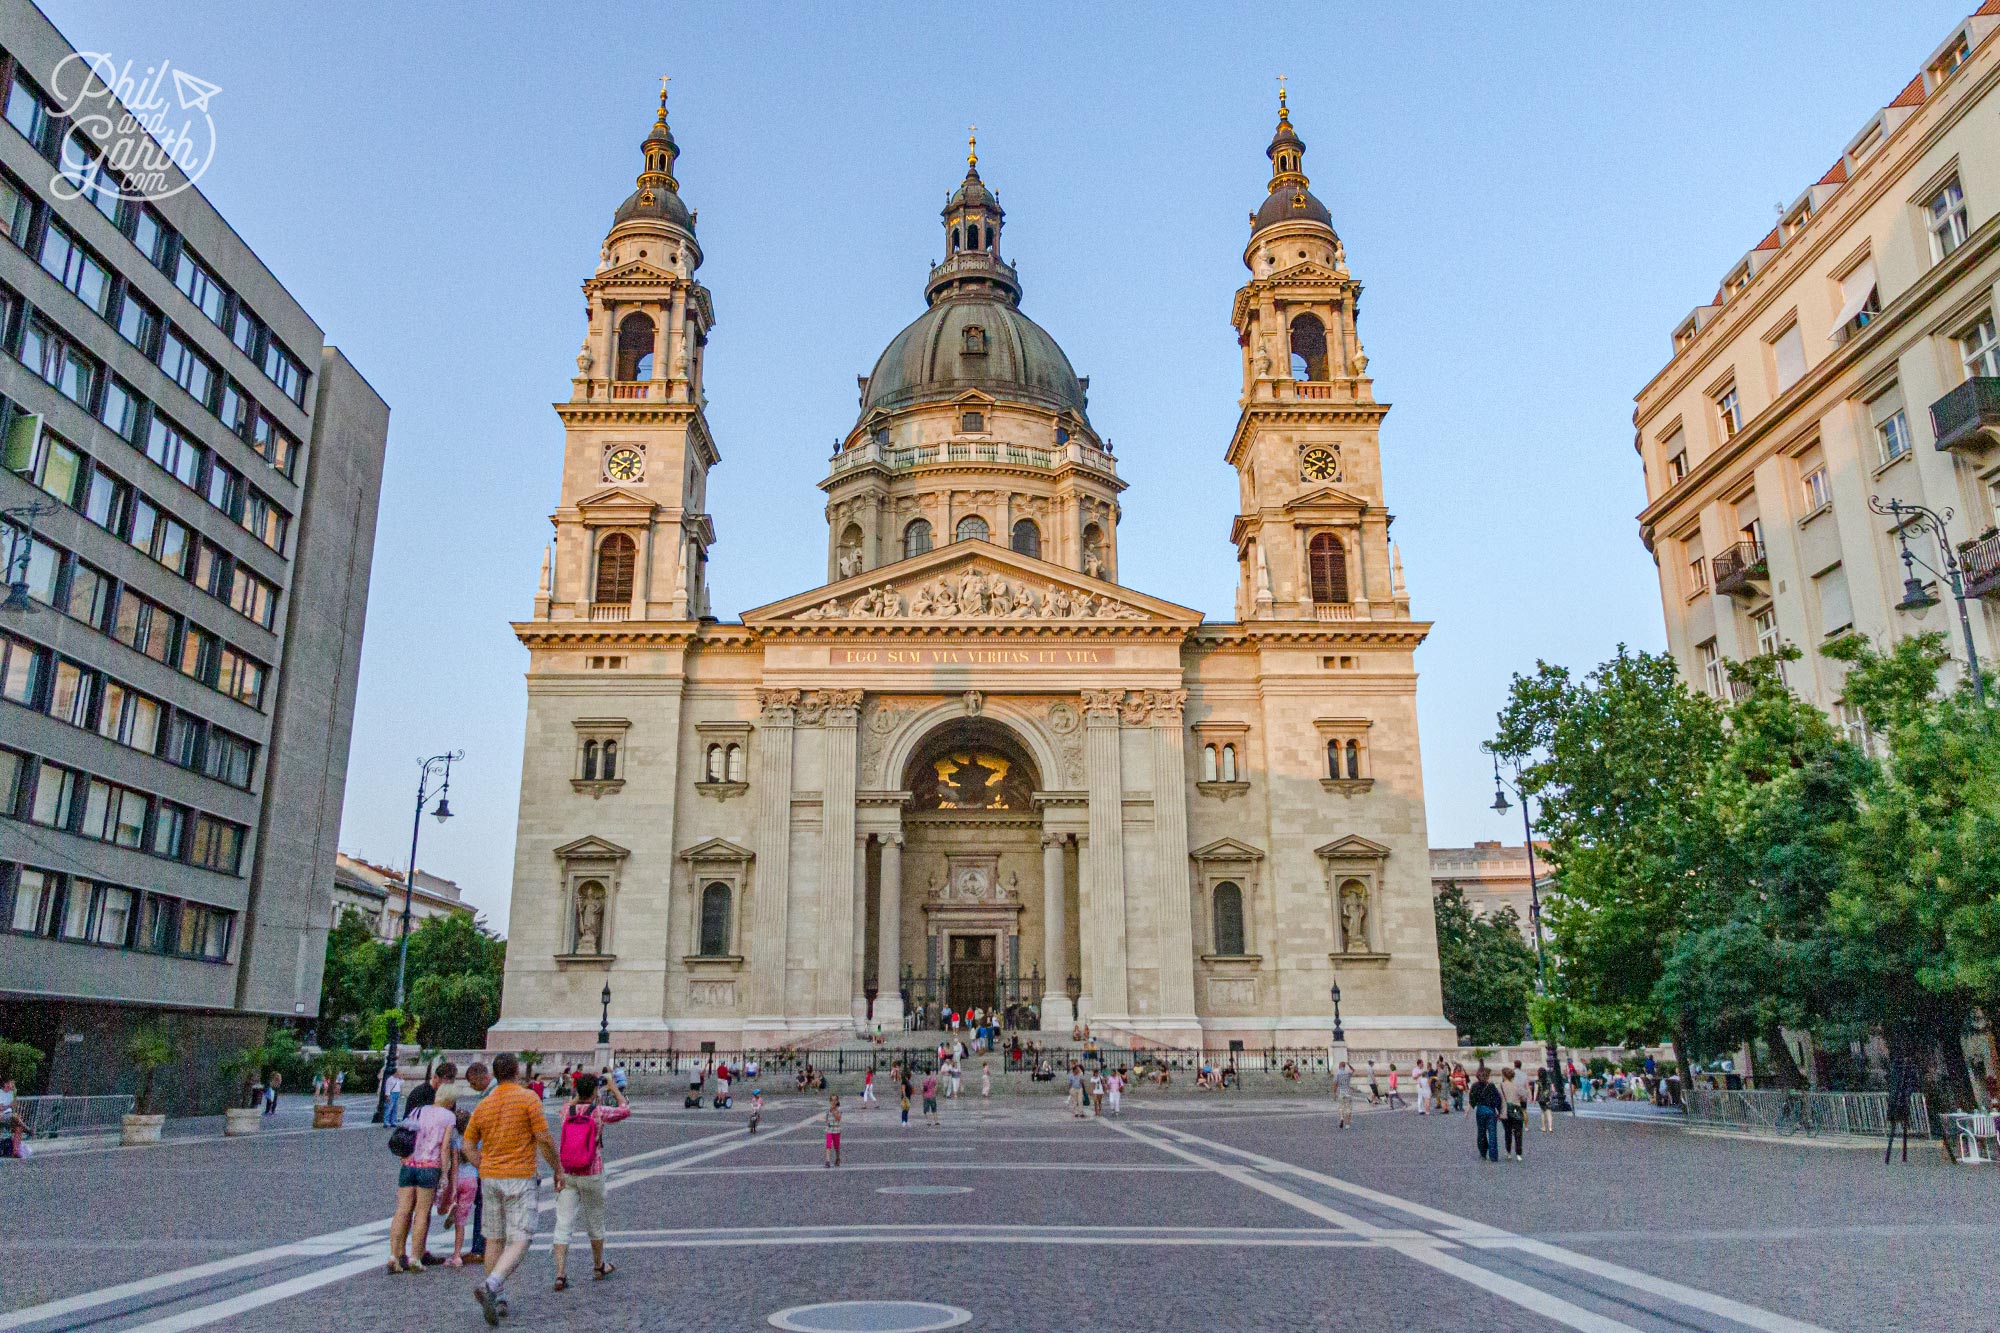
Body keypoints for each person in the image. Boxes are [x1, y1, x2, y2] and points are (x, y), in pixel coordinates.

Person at [464, 1051, 566, 1326]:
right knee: (521, 1237)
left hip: (491, 1179)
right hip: (519, 1177)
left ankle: (499, 1297)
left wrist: (482, 1165)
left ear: (495, 1074)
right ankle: (492, 1285)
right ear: (517, 1071)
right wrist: (557, 1169)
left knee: (494, 1239)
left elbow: (467, 1144)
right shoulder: (527, 1098)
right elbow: (543, 1138)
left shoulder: (484, 1105)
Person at [552, 1071, 627, 1292]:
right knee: (595, 1221)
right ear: (595, 1091)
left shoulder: (567, 1111)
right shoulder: (599, 1112)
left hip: (568, 1172)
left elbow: (567, 1105)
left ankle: (560, 1274)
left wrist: (580, 1095)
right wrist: (613, 1088)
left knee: (563, 1223)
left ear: (576, 1090)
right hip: (592, 1171)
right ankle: (597, 1266)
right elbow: (625, 1110)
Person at [387, 1085, 456, 1273]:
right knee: (422, 1213)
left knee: (402, 1210)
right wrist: (444, 1173)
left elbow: (405, 1134)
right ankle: (415, 1257)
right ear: (450, 1101)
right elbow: (444, 1148)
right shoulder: (449, 1117)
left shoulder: (419, 1110)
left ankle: (393, 1256)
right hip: (429, 1167)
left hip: (409, 1165)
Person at [440, 1094, 477, 1267]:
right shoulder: (476, 1141)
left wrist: (452, 1186)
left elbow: (454, 1166)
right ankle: (457, 1255)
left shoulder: (455, 1141)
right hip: (472, 1181)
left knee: (445, 1205)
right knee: (462, 1222)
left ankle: (449, 1209)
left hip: (459, 1179)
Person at [462, 1062, 492, 1261]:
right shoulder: (492, 1093)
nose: (472, 1088)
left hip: (491, 1159)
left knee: (483, 1203)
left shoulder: (492, 1096)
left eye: (473, 1083)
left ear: (482, 1077)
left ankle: (481, 1249)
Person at [1469, 1066, 1502, 1163]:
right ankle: (1494, 1156)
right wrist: (1499, 1112)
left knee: (1481, 1132)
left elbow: (1472, 1099)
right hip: (1491, 1111)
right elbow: (1497, 1099)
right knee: (1492, 1133)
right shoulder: (1491, 1086)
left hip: (1481, 1110)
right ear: (1487, 1077)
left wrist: (1471, 1107)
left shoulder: (1475, 1086)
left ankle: (1483, 1152)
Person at [1500, 1067, 1528, 1161]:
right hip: (1516, 1110)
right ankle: (1519, 1153)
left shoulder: (1500, 1086)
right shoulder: (1516, 1086)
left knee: (1507, 1132)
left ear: (1503, 1076)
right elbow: (1524, 1097)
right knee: (1518, 1132)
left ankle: (1508, 1152)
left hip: (1504, 1111)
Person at [823, 1094, 843, 1167]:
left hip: (836, 1130)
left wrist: (834, 1111)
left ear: (837, 1101)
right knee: (828, 1145)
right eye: (832, 1100)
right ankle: (827, 1161)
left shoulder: (839, 1109)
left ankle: (837, 1158)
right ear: (830, 1101)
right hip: (829, 1129)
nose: (833, 1102)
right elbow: (826, 1118)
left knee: (836, 1146)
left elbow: (838, 1118)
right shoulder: (828, 1109)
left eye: (835, 1100)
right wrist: (827, 1122)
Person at [1334, 1061, 1355, 1128]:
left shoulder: (1337, 1073)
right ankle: (1348, 1124)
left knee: (1341, 1106)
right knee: (1348, 1107)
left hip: (1340, 1091)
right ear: (1344, 1066)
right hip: (1347, 1091)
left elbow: (1335, 1084)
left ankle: (1342, 1118)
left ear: (1339, 1066)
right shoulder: (1347, 1073)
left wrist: (1334, 1093)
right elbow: (1353, 1070)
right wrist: (1349, 1064)